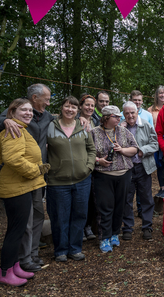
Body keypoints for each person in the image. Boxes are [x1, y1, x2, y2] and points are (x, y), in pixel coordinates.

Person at [0, 83, 54, 272]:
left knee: (38, 214)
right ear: (35, 98)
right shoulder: (18, 112)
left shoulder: (47, 117)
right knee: (25, 220)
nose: (48, 102)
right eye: (46, 99)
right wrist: (4, 122)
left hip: (38, 177)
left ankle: (33, 254)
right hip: (20, 178)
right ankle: (22, 259)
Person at [0, 99, 48, 286]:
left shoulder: (21, 128)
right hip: (16, 188)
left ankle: (15, 266)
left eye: (30, 110)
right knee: (15, 232)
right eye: (23, 110)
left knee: (18, 230)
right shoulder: (13, 130)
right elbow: (12, 158)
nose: (28, 113)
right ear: (12, 112)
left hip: (23, 186)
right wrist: (35, 170)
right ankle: (5, 272)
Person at [46, 96, 96, 262]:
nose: (70, 110)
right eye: (67, 106)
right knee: (59, 216)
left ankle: (75, 248)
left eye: (74, 108)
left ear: (77, 110)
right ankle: (60, 250)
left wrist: (88, 167)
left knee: (79, 215)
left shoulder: (83, 125)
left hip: (82, 180)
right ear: (61, 108)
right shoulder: (50, 126)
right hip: (57, 181)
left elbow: (91, 149)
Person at [91, 106, 138, 253]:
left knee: (120, 206)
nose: (119, 118)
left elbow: (135, 148)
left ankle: (114, 234)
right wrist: (99, 160)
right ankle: (104, 237)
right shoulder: (93, 133)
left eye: (119, 116)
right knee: (105, 207)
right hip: (103, 175)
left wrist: (122, 150)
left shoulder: (124, 131)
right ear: (106, 118)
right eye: (115, 116)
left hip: (124, 174)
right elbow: (87, 153)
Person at [121, 101, 159, 241]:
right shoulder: (120, 128)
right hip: (127, 168)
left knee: (146, 198)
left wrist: (143, 151)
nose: (130, 115)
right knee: (127, 198)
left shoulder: (146, 125)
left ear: (137, 112)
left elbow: (155, 144)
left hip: (143, 167)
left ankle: (147, 227)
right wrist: (120, 128)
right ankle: (127, 228)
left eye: (133, 112)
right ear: (123, 114)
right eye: (127, 113)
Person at [79, 93, 98, 241]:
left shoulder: (96, 121)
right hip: (80, 163)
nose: (90, 108)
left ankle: (88, 226)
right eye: (87, 105)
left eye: (92, 105)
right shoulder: (74, 120)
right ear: (81, 106)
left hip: (95, 163)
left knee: (92, 197)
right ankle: (80, 228)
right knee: (81, 198)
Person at [148, 85, 164, 198]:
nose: (162, 95)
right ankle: (162, 188)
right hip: (156, 140)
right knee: (159, 165)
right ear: (156, 95)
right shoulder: (150, 110)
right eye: (160, 93)